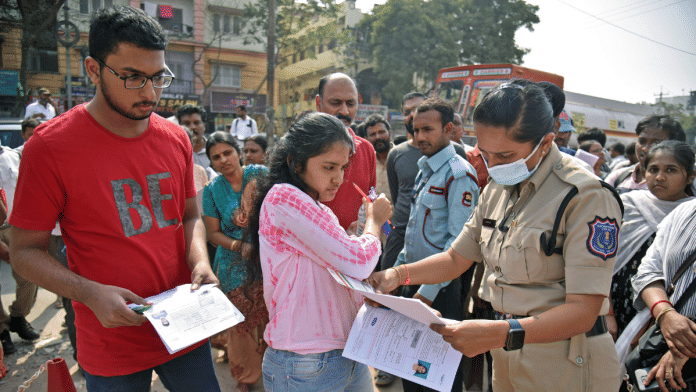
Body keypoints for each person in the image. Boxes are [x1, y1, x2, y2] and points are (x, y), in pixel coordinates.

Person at [8, 6, 221, 391]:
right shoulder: (51, 147)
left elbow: (191, 216)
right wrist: (89, 293)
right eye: (132, 77)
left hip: (184, 325)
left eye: (158, 77)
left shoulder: (175, 139)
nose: (150, 92)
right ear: (93, 69)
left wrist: (200, 262)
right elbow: (24, 252)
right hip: (111, 341)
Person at [369, 81, 623, 391]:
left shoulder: (585, 196)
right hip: (507, 358)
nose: (493, 166)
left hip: (568, 364)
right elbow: (455, 257)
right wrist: (397, 275)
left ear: (545, 143)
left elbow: (583, 312)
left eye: (505, 155)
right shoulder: (496, 189)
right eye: (486, 154)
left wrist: (501, 333)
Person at [249, 112, 392, 391]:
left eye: (342, 167)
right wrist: (374, 222)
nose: (338, 178)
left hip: (346, 352)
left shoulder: (319, 208)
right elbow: (360, 262)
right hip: (306, 360)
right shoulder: (284, 197)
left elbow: (344, 264)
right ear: (296, 164)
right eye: (329, 167)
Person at [395, 97, 478, 392]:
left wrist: (426, 294)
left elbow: (457, 245)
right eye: (415, 130)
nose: (419, 137)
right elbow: (413, 234)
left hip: (439, 292)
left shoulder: (459, 174)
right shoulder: (426, 169)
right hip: (411, 285)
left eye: (427, 130)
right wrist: (393, 277)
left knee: (437, 376)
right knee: (410, 369)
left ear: (449, 129)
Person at [609, 141, 695, 342]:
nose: (660, 177)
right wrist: (606, 311)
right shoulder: (624, 205)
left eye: (671, 170)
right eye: (653, 169)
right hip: (614, 305)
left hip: (667, 314)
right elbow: (599, 262)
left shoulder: (690, 214)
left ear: (690, 177)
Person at [202, 132, 268, 392]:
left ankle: (275, 367)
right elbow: (213, 233)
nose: (223, 160)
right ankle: (246, 377)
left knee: (272, 314)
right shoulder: (211, 190)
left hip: (268, 258)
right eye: (216, 157)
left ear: (238, 152)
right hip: (233, 264)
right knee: (240, 323)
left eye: (227, 152)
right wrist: (240, 246)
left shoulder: (260, 175)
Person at [630, 197, 696, 392]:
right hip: (665, 337)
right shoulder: (684, 212)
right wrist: (666, 315)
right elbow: (648, 271)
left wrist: (685, 348)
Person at [315, 73, 377, 230]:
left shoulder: (366, 150)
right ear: (318, 103)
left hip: (355, 249)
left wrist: (386, 233)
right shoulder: (303, 148)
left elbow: (372, 200)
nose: (344, 111)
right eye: (335, 103)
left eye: (350, 103)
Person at [0, 144, 41, 355]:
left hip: (15, 226)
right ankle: (2, 329)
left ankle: (17, 317)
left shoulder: (13, 154)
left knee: (29, 275)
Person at [606, 115, 686, 193]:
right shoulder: (618, 177)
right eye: (642, 141)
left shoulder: (681, 184)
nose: (645, 148)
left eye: (656, 143)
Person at [178, 104, 215, 179]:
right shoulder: (175, 152)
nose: (192, 127)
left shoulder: (215, 149)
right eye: (186, 123)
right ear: (179, 126)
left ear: (204, 126)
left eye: (196, 123)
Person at [364, 113, 393, 202]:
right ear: (366, 139)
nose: (378, 137)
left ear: (390, 133)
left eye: (381, 132)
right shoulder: (365, 163)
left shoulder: (402, 157)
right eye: (373, 134)